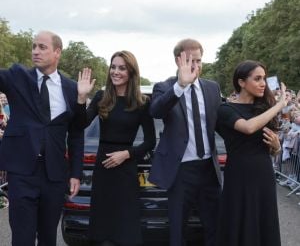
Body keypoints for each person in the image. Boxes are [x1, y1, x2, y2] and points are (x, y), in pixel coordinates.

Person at [0, 31, 84, 246]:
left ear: (57, 52)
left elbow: (76, 135)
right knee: (22, 238)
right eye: (34, 46)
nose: (35, 51)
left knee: (48, 237)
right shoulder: (17, 78)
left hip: (54, 175)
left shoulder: (72, 88)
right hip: (22, 173)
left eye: (42, 47)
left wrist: (75, 173)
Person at [77, 50, 156, 246]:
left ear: (131, 72)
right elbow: (80, 124)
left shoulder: (142, 103)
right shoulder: (102, 97)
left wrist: (127, 154)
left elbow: (150, 141)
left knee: (125, 229)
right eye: (113, 67)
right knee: (101, 229)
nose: (116, 71)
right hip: (103, 168)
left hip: (125, 169)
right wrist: (81, 98)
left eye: (122, 68)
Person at [149, 39, 222, 246]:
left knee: (214, 226)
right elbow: (156, 111)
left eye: (198, 60)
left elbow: (223, 124)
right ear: (177, 60)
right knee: (178, 229)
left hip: (209, 169)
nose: (194, 65)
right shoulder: (164, 87)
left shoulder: (212, 88)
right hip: (181, 170)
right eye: (189, 60)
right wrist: (180, 85)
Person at [216, 60, 287, 246]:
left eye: (264, 78)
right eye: (257, 78)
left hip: (263, 174)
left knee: (264, 223)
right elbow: (248, 128)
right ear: (241, 82)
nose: (263, 83)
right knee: (239, 223)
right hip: (239, 176)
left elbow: (272, 150)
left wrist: (276, 146)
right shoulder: (225, 109)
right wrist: (279, 105)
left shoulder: (263, 108)